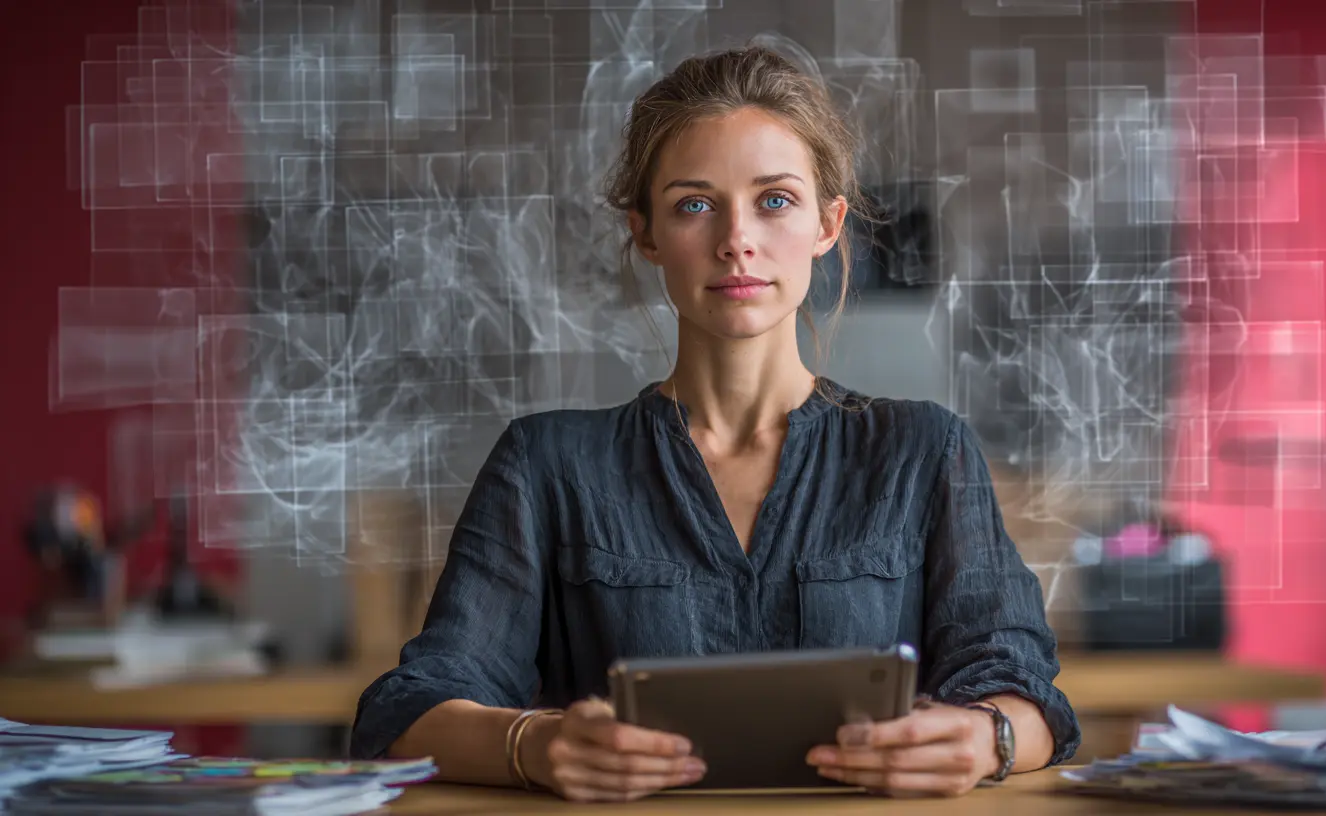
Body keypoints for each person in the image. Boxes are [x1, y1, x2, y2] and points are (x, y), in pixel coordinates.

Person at [350, 44, 1081, 802]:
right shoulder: (546, 464)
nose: (737, 238)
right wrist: (534, 743)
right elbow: (406, 711)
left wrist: (982, 738)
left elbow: (1028, 696)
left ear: (830, 223)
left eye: (775, 200)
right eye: (695, 204)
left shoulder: (923, 450)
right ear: (646, 233)